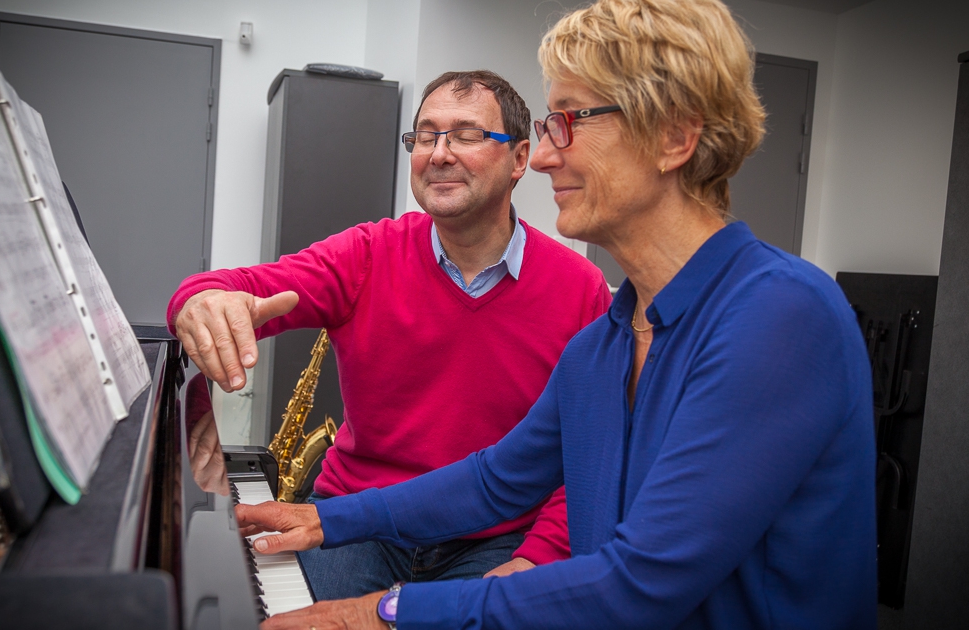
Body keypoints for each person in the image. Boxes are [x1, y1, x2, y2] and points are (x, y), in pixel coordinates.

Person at [235, 0, 878, 628]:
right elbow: (495, 483)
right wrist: (326, 520)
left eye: (570, 121)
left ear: (674, 137)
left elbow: (641, 584)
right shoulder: (604, 342)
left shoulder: (781, 314)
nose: (541, 158)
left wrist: (381, 613)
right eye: (547, 127)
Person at [168, 70, 612, 600]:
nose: (438, 154)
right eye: (425, 136)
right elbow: (229, 286)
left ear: (520, 159)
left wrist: (536, 556)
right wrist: (200, 301)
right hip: (357, 523)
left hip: (493, 539)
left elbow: (583, 453)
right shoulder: (367, 253)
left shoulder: (581, 288)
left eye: (466, 135)